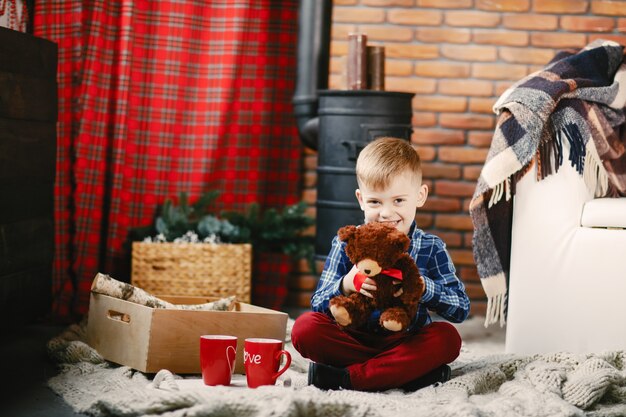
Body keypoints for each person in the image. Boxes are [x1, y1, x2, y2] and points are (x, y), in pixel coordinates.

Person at [291, 136, 470, 392]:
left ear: (420, 196)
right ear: (361, 199)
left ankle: (346, 378)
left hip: (404, 340)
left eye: (398, 200)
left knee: (447, 339)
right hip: (352, 337)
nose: (386, 213)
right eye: (375, 201)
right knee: (304, 328)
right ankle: (405, 374)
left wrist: (422, 287)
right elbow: (318, 301)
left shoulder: (431, 247)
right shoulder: (347, 242)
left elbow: (460, 309)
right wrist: (346, 284)